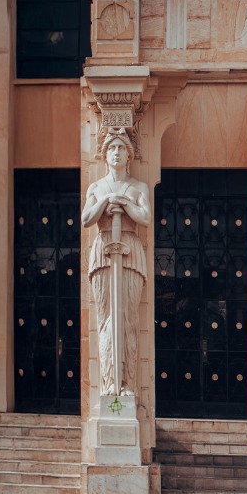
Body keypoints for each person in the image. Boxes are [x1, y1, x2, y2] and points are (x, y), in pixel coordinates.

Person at [82, 128, 151, 399]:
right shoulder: (96, 188)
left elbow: (144, 217)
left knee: (128, 320)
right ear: (105, 154)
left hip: (130, 249)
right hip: (104, 249)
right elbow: (87, 218)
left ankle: (127, 386)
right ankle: (109, 383)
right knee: (106, 320)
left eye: (122, 148)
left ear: (129, 154)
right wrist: (106, 203)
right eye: (112, 148)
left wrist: (125, 204)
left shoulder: (138, 187)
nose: (116, 152)